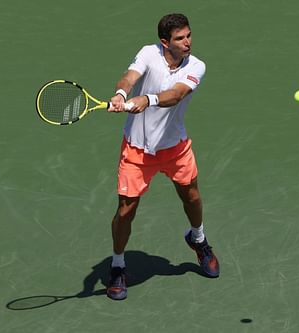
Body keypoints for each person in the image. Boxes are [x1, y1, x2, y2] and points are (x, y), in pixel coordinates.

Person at [105, 13, 219, 300]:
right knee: (126, 210)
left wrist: (147, 100)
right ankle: (118, 265)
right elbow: (130, 76)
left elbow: (176, 95)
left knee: (191, 195)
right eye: (180, 38)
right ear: (164, 42)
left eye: (189, 35)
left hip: (175, 147)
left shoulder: (197, 66)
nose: (188, 42)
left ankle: (198, 239)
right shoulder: (148, 53)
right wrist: (121, 94)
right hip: (137, 150)